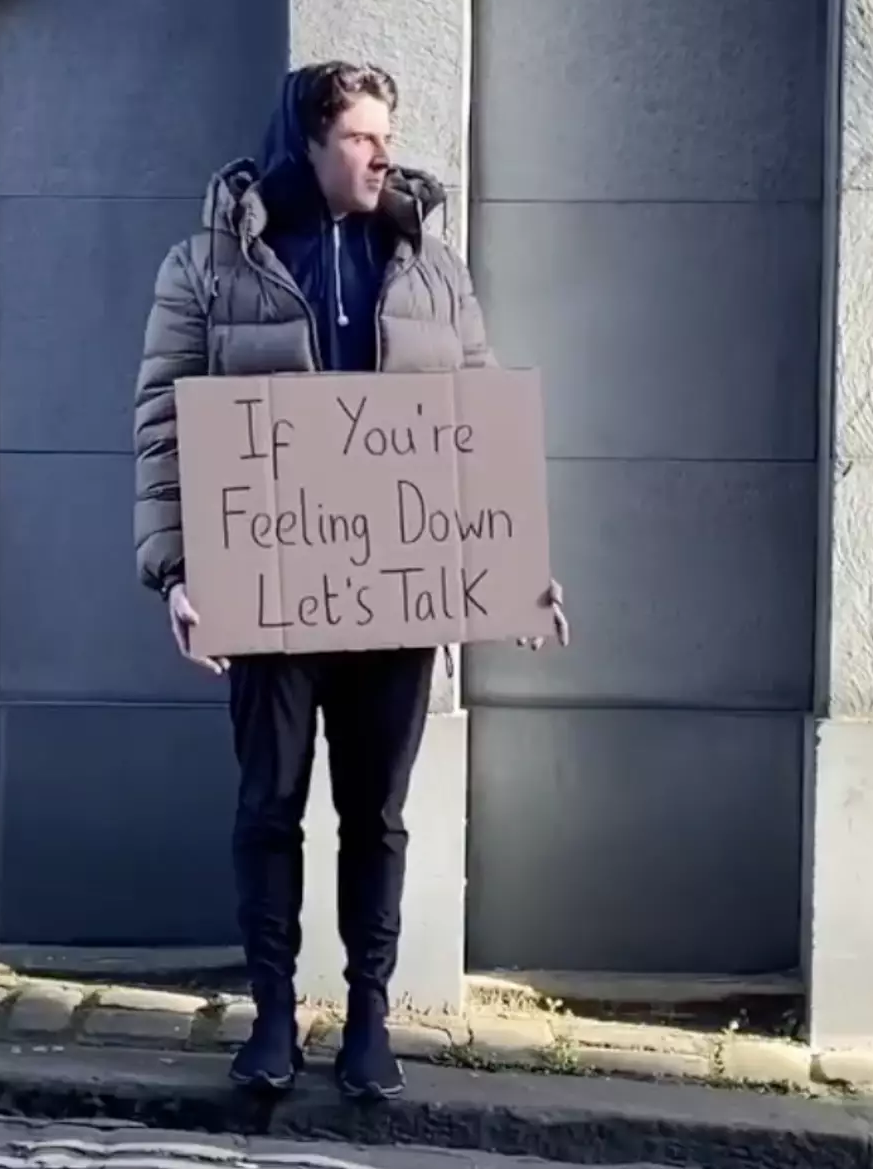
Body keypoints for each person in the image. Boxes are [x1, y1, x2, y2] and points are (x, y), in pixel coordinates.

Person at [134, 61, 568, 1101]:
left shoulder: (431, 270)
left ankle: (370, 1015)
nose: (384, 154)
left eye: (387, 135)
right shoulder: (208, 268)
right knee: (268, 805)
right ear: (310, 142)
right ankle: (274, 1013)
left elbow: (476, 429)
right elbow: (162, 424)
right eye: (363, 137)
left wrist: (520, 572)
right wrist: (178, 574)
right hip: (268, 595)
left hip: (393, 598)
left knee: (377, 812)